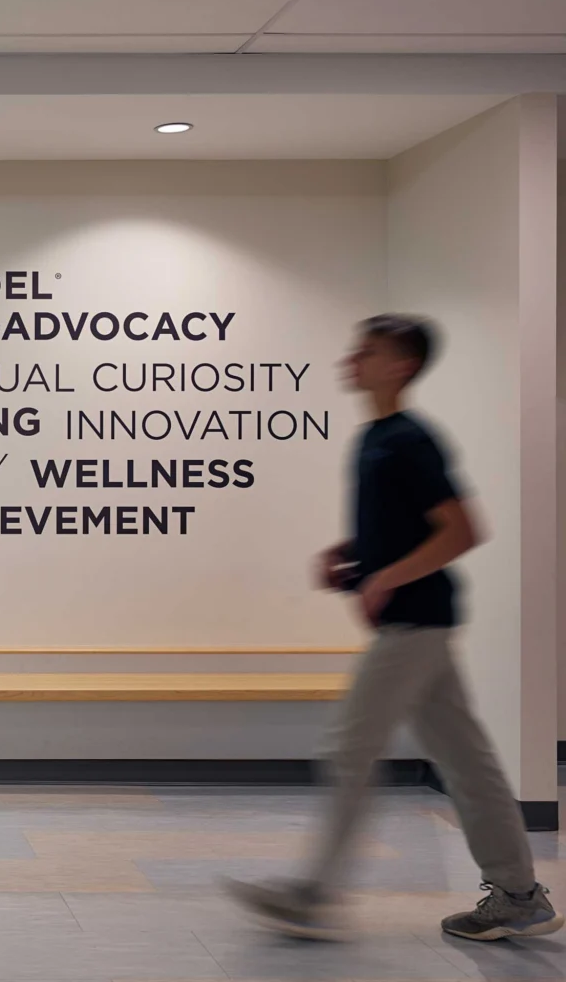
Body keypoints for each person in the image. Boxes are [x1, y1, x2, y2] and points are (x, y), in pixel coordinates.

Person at [225, 315, 561, 942]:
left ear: (401, 365)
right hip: (421, 624)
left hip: (414, 624)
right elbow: (403, 524)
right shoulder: (376, 437)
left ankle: (315, 893)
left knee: (350, 747)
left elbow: (462, 530)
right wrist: (351, 551)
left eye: (368, 351)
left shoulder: (409, 439)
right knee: (469, 762)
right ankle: (518, 893)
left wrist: (387, 579)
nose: (351, 358)